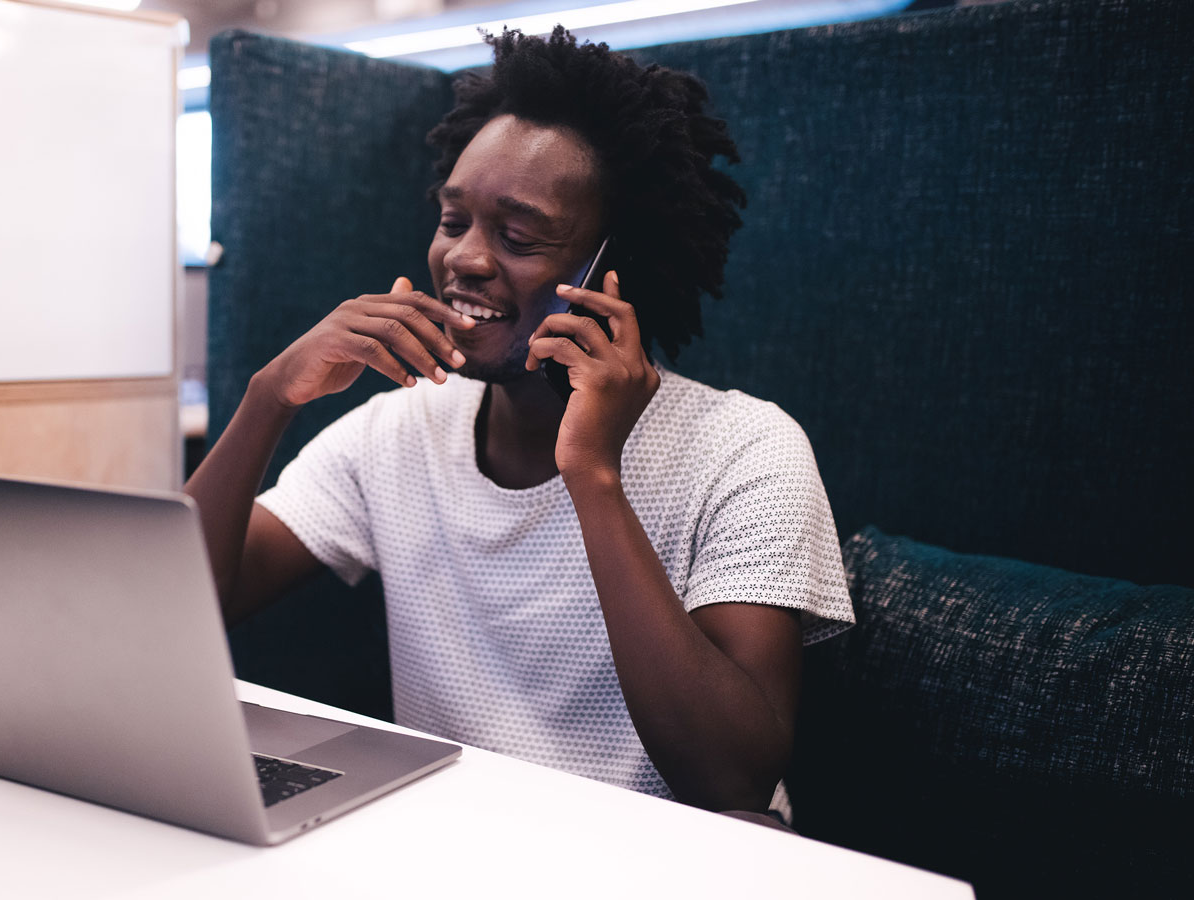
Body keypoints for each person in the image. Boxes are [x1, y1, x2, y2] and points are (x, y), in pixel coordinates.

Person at [185, 26, 853, 826]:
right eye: (452, 219)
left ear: (611, 271)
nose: (464, 258)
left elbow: (731, 781)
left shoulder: (745, 450)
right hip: (465, 847)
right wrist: (268, 400)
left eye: (518, 236)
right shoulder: (400, 431)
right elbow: (188, 602)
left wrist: (593, 476)